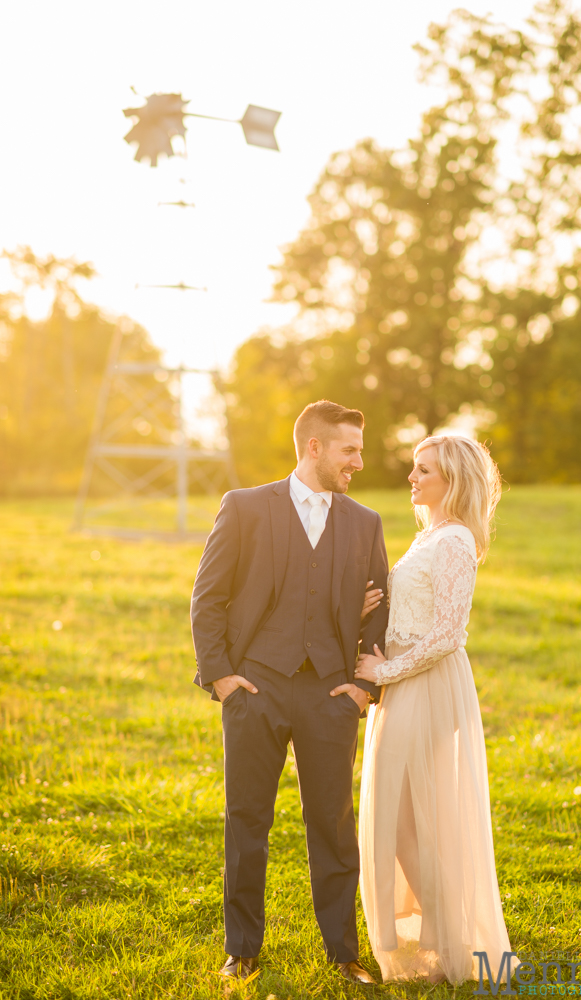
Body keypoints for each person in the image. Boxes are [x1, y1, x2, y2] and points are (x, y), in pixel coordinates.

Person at [190, 400, 389, 984]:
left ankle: (344, 954)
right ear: (316, 448)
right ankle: (242, 949)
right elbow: (209, 597)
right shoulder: (247, 507)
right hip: (256, 686)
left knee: (331, 820)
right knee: (247, 818)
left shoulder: (364, 521)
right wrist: (222, 678)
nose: (359, 460)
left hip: (331, 694)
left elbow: (379, 609)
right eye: (350, 449)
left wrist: (359, 687)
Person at [354, 433, 517, 984]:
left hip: (424, 683)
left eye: (424, 470)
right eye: (415, 468)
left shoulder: (453, 542)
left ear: (453, 481)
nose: (412, 478)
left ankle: (452, 938)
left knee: (406, 817)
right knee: (405, 816)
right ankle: (444, 935)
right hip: (406, 680)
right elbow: (414, 612)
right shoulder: (431, 538)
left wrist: (386, 673)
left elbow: (450, 633)